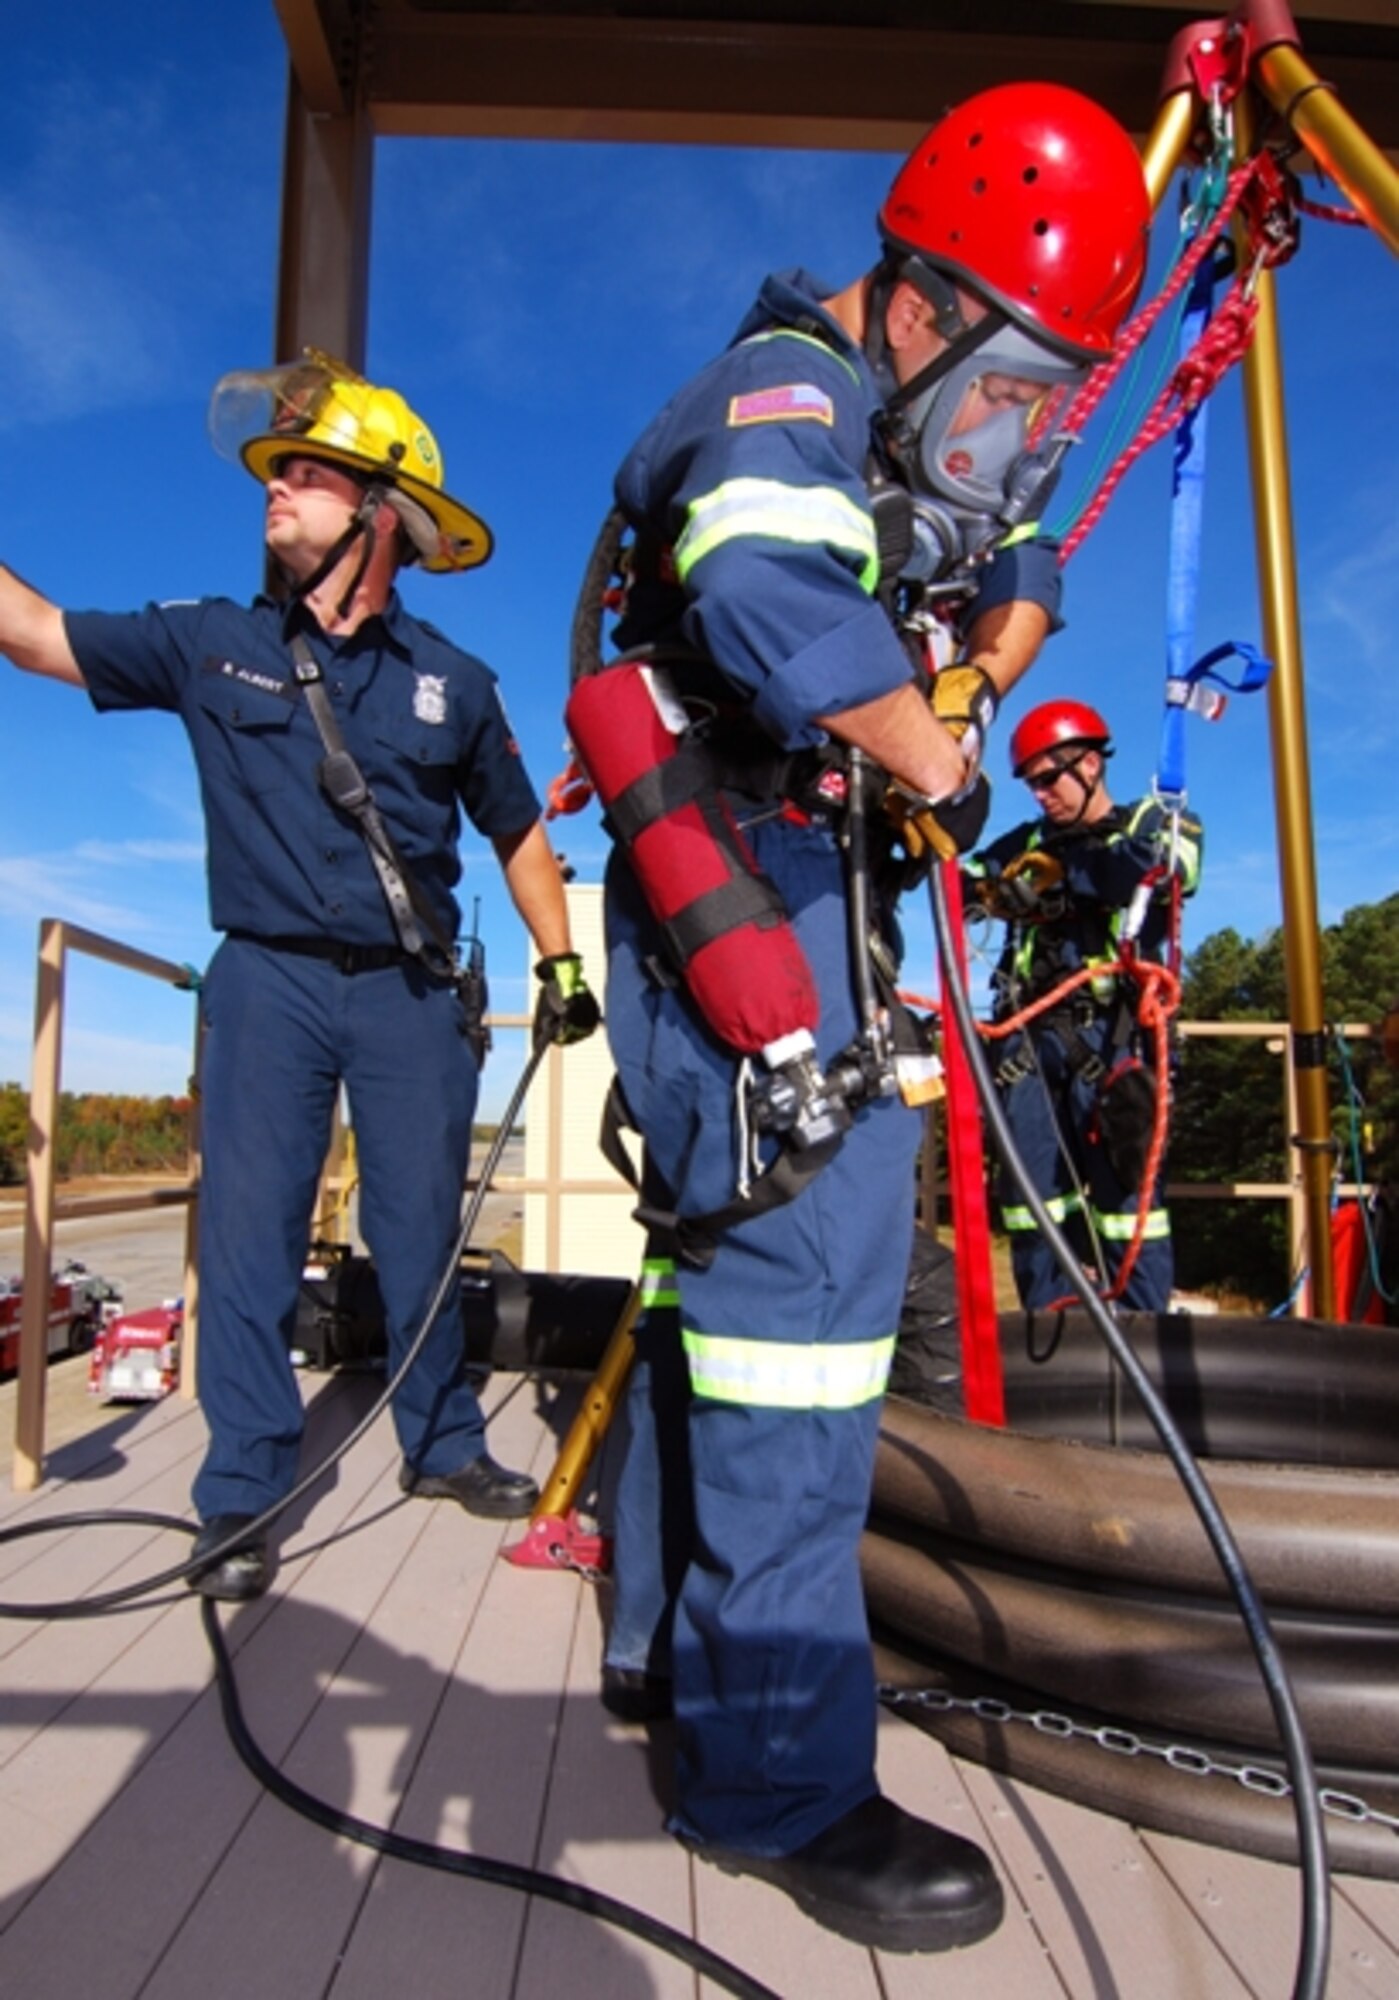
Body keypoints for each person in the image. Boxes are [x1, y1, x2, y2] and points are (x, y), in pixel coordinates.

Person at [586, 82, 1152, 1954]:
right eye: (999, 391)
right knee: (797, 1344)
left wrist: (989, 617)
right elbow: (756, 586)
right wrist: (936, 752)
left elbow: (942, 566)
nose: (1003, 439)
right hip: (752, 904)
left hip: (748, 902)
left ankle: (675, 1668)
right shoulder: (791, 395)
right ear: (913, 313)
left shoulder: (864, 437)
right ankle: (778, 1787)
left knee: (709, 1314)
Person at [0, 354, 598, 1601]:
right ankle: (242, 1489)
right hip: (264, 983)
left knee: (420, 1231)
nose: (276, 492)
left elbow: (519, 835)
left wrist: (560, 965)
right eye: (278, 474)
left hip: (409, 993)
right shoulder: (210, 645)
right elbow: (42, 636)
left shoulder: (455, 682)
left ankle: (439, 1442)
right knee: (254, 1236)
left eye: (310, 475)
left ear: (380, 516)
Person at [965, 698, 1202, 1311]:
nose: (1040, 795)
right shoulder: (1021, 844)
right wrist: (996, 888)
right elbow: (963, 885)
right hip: (1028, 1048)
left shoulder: (1153, 821)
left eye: (1049, 779)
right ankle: (1054, 1328)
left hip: (1116, 1042)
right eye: (1030, 783)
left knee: (1128, 1197)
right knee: (1032, 1200)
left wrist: (1062, 877)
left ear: (1091, 764)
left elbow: (1161, 872)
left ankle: (1140, 1325)